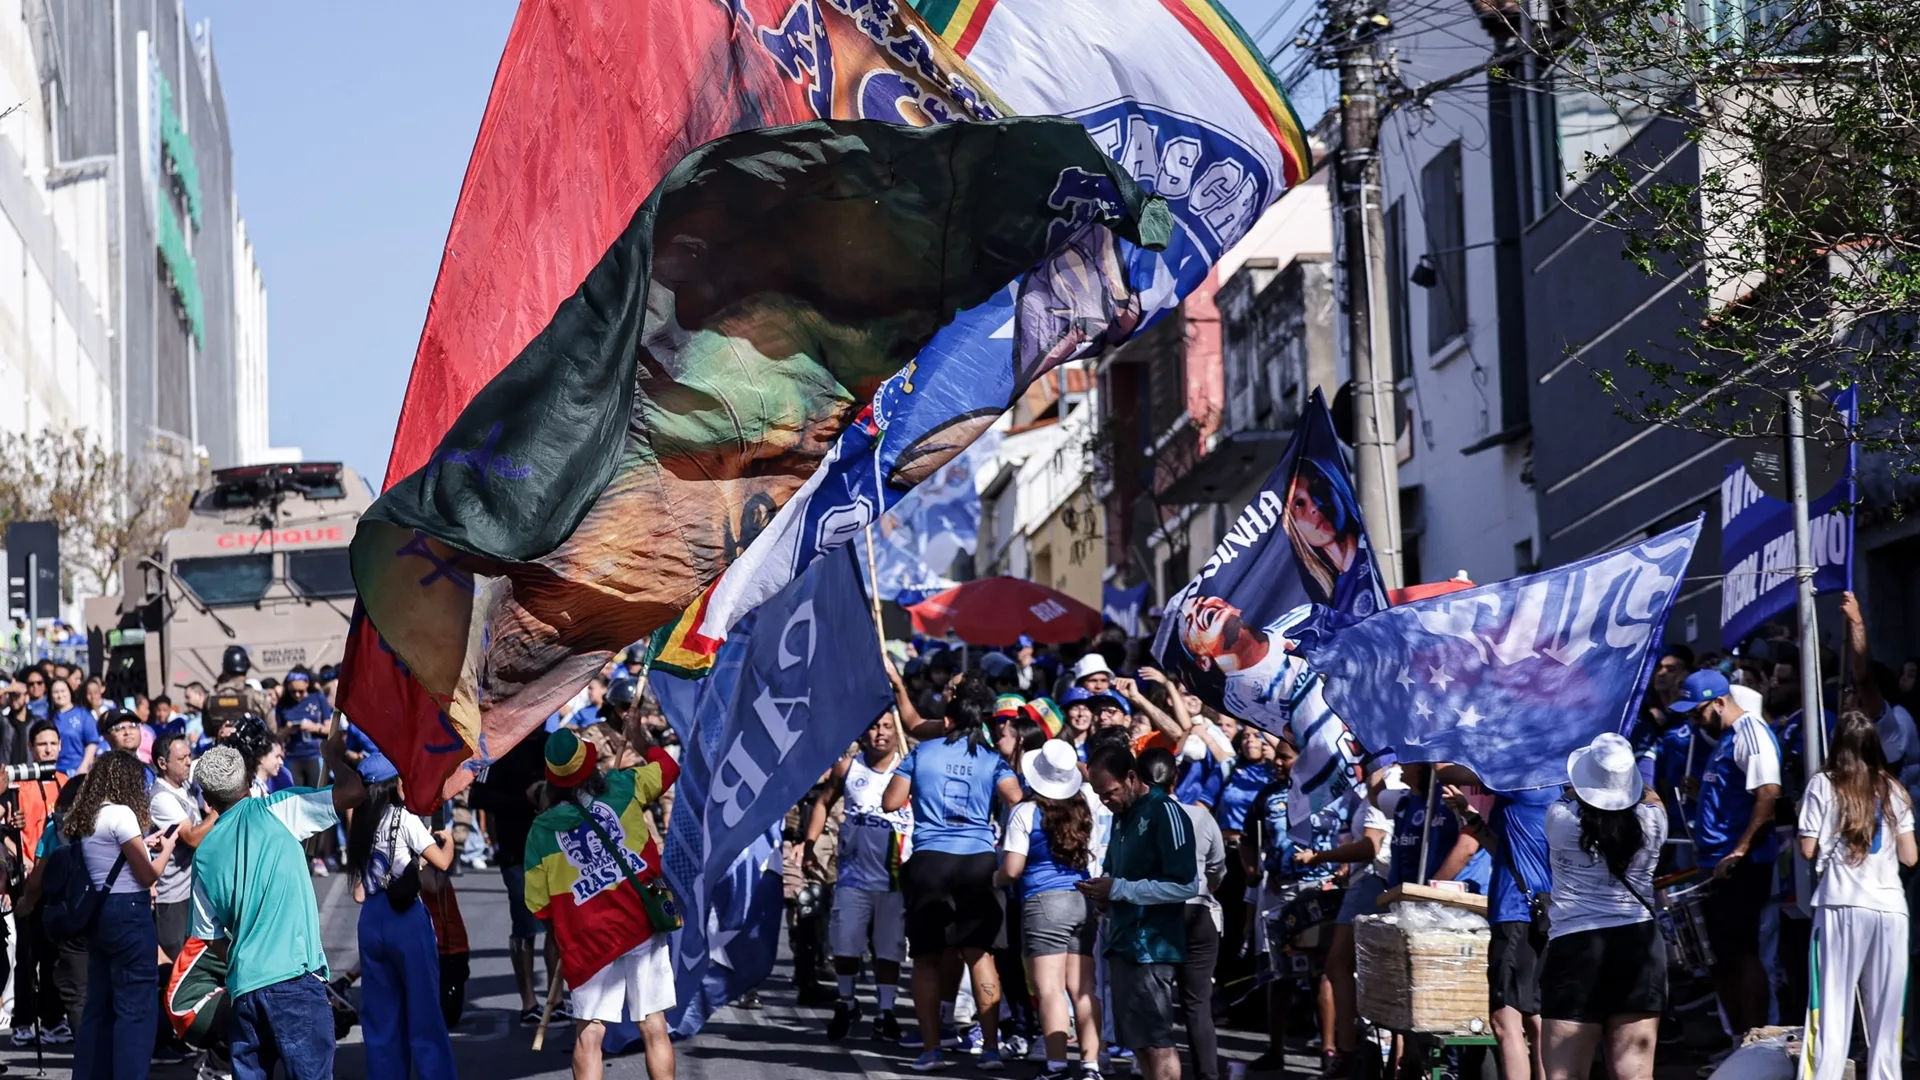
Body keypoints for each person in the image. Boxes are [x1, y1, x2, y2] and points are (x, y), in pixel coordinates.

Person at [189, 732, 366, 1079]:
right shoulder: (278, 809)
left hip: (245, 988)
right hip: (294, 981)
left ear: (208, 799)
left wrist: (247, 953)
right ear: (247, 780)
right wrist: (332, 758)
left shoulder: (204, 855)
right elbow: (354, 792)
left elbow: (209, 935)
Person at [524, 719, 680, 1080]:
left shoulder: (541, 831)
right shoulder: (625, 787)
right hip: (641, 927)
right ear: (589, 765)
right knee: (654, 1025)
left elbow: (538, 905)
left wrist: (565, 930)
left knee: (589, 1034)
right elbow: (669, 768)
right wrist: (641, 740)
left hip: (587, 940)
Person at [883, 678, 1024, 1072]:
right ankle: (992, 1050)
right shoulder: (992, 759)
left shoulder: (922, 752)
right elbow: (1016, 798)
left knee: (927, 959)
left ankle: (931, 1050)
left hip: (930, 861)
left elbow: (890, 801)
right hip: (978, 861)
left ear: (947, 720)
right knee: (980, 955)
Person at [1539, 734, 1667, 1080]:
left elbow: (1570, 793)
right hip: (1638, 943)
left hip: (1576, 946)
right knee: (1635, 1073)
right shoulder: (1654, 821)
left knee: (1566, 1073)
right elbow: (1652, 796)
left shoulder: (1561, 818)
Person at [1797, 711, 1916, 1080]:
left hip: (1839, 904)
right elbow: (1910, 856)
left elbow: (1806, 849)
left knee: (1830, 1008)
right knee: (1887, 1014)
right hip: (1890, 909)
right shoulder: (1894, 789)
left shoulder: (1823, 784)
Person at [1669, 668, 1780, 1040]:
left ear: (1719, 703)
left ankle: (1755, 1039)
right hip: (1716, 862)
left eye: (1697, 713)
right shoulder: (1727, 738)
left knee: (1739, 950)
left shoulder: (1751, 732)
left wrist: (1739, 851)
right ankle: (1738, 1040)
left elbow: (1768, 795)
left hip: (1738, 866)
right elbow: (1736, 798)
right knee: (1719, 955)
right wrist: (1702, 796)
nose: (1694, 721)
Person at [1080, 744, 1197, 1080]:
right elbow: (1114, 873)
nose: (1105, 801)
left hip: (1151, 946)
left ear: (1131, 777)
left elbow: (1187, 885)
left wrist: (1119, 889)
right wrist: (1101, 895)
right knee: (1140, 1043)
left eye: (1110, 792)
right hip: (1121, 941)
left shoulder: (1165, 811)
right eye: (1099, 794)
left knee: (1158, 1041)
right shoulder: (1121, 817)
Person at [67, 749, 179, 1080]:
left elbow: (112, 857)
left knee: (98, 1008)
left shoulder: (91, 814)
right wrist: (167, 849)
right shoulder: (122, 813)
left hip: (100, 913)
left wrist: (145, 843)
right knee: (136, 1011)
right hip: (129, 911)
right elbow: (147, 875)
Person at [997, 738, 1105, 1080]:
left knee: (1049, 989)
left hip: (1043, 903)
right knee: (1084, 988)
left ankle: (1057, 1065)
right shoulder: (1084, 805)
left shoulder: (1026, 812)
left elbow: (1012, 869)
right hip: (1083, 899)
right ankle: (1091, 1065)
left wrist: (993, 878)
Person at [346, 754, 458, 1079]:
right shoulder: (405, 819)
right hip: (405, 918)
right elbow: (442, 862)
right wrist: (447, 842)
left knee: (380, 1018)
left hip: (371, 919)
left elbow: (359, 892)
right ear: (392, 785)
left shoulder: (360, 825)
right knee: (423, 1012)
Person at [806, 710, 914, 1042]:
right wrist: (810, 844)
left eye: (886, 726)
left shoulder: (910, 768)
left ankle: (885, 1011)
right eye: (873, 727)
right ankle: (847, 1002)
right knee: (846, 943)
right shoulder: (848, 767)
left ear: (895, 730)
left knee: (888, 949)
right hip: (852, 876)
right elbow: (824, 802)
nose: (880, 733)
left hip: (895, 878)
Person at [1143, 745, 1227, 1080]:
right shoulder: (1201, 816)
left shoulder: (1142, 820)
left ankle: (1159, 1071)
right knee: (1197, 1004)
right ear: (1176, 779)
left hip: (1161, 913)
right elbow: (1218, 867)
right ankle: (1208, 1075)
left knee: (1158, 1003)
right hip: (1201, 909)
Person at [469, 725, 559, 1025]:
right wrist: (526, 799)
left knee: (557, 927)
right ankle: (528, 1002)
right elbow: (477, 796)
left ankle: (555, 999)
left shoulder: (554, 746)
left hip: (555, 852)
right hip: (516, 852)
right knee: (524, 927)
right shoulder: (500, 749)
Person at [148, 732, 216, 1060]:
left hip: (192, 892)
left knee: (191, 966)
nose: (189, 762)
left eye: (189, 756)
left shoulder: (185, 786)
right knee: (173, 971)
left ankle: (178, 1034)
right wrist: (224, 807)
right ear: (162, 764)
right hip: (171, 897)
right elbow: (191, 837)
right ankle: (162, 1041)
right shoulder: (161, 798)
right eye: (182, 758)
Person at [9, 720, 71, 1047]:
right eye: (41, 744)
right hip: (29, 878)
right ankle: (22, 1019)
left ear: (60, 745)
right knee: (28, 953)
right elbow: (7, 832)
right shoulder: (19, 784)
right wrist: (22, 853)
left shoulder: (65, 782)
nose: (48, 749)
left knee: (54, 953)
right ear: (32, 748)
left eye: (53, 743)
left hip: (59, 880)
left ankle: (51, 1019)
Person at [48, 679, 100, 776]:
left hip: (77, 769)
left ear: (70, 692)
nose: (60, 695)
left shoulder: (83, 714)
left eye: (63, 691)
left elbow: (92, 743)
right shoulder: (49, 717)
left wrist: (84, 766)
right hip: (55, 770)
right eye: (56, 692)